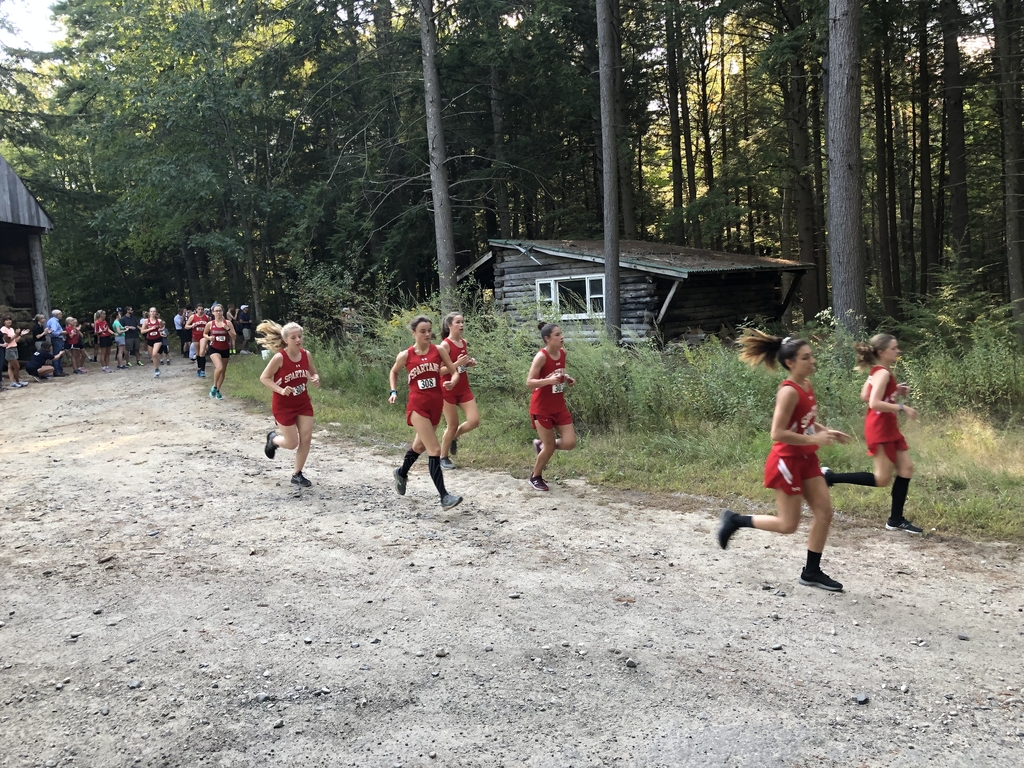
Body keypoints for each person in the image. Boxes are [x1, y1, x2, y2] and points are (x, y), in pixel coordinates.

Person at [717, 330, 851, 592]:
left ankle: (811, 572)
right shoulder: (788, 391)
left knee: (824, 513)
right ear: (790, 363)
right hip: (787, 462)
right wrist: (814, 439)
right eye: (806, 357)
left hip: (807, 458)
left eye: (811, 355)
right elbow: (777, 433)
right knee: (788, 525)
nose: (812, 361)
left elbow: (805, 421)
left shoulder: (806, 385)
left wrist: (825, 431)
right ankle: (735, 520)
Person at [821, 334, 923, 534]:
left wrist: (894, 391)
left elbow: (865, 395)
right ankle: (829, 477)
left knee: (906, 468)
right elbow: (873, 402)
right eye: (894, 348)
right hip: (880, 428)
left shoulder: (878, 371)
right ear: (882, 352)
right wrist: (901, 407)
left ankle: (896, 520)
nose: (898, 351)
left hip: (888, 427)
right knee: (882, 479)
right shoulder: (882, 373)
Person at [388, 315, 463, 510]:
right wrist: (393, 391)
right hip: (417, 407)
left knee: (419, 447)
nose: (427, 334)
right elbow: (394, 371)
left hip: (435, 405)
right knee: (435, 450)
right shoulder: (405, 355)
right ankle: (444, 497)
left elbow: (453, 370)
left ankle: (401, 473)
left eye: (429, 330)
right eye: (423, 331)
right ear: (413, 333)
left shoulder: (438, 350)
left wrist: (453, 381)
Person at [258, 320, 320, 487]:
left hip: (302, 402)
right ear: (286, 340)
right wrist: (280, 390)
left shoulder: (306, 354)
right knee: (292, 443)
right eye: (293, 337)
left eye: (300, 336)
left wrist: (315, 378)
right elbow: (264, 378)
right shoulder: (280, 358)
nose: (298, 340)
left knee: (306, 438)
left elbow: (313, 373)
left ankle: (297, 474)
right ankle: (273, 439)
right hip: (283, 405)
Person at [526, 322, 577, 491]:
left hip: (559, 406)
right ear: (547, 339)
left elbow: (558, 371)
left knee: (570, 443)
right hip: (542, 408)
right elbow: (529, 382)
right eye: (557, 335)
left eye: (561, 333)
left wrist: (566, 377)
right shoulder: (541, 357)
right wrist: (548, 381)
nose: (562, 337)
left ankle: (541, 446)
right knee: (549, 447)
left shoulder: (562, 353)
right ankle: (535, 476)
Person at [437, 312, 480, 470]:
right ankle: (443, 457)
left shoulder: (463, 342)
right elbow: (438, 371)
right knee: (452, 424)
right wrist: (456, 364)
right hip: (447, 388)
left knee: (474, 421)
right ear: (449, 325)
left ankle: (453, 438)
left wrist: (468, 363)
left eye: (462, 322)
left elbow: (462, 364)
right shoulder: (444, 345)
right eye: (458, 322)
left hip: (463, 387)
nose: (461, 325)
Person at [203, 303, 235, 399]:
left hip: (225, 348)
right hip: (214, 348)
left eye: (220, 311)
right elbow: (204, 334)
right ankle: (214, 386)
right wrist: (209, 338)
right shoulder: (210, 324)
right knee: (219, 367)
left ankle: (217, 390)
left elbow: (234, 336)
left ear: (222, 312)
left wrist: (227, 329)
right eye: (216, 311)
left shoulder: (228, 323)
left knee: (223, 372)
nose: (218, 313)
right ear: (213, 312)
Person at [2, 316, 30, 388]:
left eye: (10, 320)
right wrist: (16, 334)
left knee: (10, 367)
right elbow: (8, 341)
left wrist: (21, 335)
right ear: (3, 321)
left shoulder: (11, 329)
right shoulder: (3, 329)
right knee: (17, 366)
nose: (9, 321)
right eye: (7, 320)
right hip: (8, 349)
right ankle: (17, 381)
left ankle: (12, 382)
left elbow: (15, 340)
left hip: (14, 347)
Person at [186, 304, 209, 378]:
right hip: (195, 336)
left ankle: (203, 371)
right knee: (198, 353)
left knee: (202, 352)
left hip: (203, 336)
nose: (200, 311)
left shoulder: (206, 317)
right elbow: (186, 326)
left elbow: (210, 325)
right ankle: (199, 368)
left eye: (202, 309)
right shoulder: (193, 317)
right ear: (196, 309)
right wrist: (192, 326)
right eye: (199, 309)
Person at [141, 307, 164, 378]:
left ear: (156, 312)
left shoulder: (159, 320)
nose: (153, 313)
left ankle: (157, 370)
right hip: (150, 339)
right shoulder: (146, 321)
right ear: (149, 313)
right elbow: (142, 331)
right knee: (152, 356)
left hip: (158, 339)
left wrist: (161, 330)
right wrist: (150, 329)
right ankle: (157, 369)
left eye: (154, 311)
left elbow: (163, 327)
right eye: (151, 311)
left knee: (154, 354)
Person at [45, 310, 67, 376]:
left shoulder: (54, 321)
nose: (61, 315)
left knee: (60, 355)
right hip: (56, 339)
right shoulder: (53, 321)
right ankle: (57, 371)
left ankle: (60, 370)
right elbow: (53, 332)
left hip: (58, 339)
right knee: (57, 354)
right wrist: (62, 332)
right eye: (60, 314)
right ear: (57, 315)